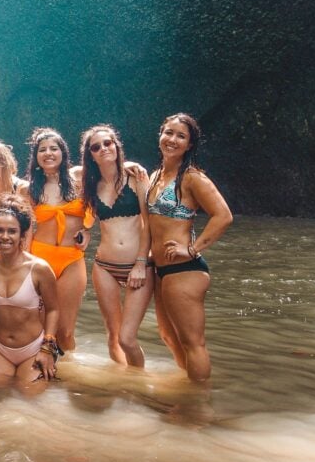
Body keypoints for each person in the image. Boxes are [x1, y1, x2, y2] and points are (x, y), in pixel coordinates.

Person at [147, 113, 233, 382]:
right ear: (160, 135)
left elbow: (223, 216)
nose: (172, 139)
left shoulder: (192, 178)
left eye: (180, 136)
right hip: (161, 269)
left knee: (193, 343)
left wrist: (192, 249)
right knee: (168, 336)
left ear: (189, 145)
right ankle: (188, 393)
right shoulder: (156, 175)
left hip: (184, 269)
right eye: (168, 132)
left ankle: (199, 407)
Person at [78, 124, 153, 366]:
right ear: (90, 154)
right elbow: (59, 169)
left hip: (138, 265)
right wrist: (84, 233)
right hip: (104, 267)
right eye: (96, 147)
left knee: (127, 339)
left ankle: (139, 386)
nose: (103, 149)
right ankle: (124, 391)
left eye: (108, 143)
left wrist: (141, 263)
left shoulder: (137, 178)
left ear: (116, 145)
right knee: (113, 337)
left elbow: (150, 224)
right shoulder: (90, 185)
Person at [17, 129, 92, 353]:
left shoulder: (79, 180)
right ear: (36, 156)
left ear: (63, 152)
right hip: (40, 258)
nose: (48, 153)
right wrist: (24, 262)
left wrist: (87, 229)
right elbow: (27, 229)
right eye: (42, 150)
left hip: (71, 259)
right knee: (41, 328)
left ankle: (70, 374)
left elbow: (107, 178)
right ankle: (45, 376)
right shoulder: (28, 189)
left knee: (66, 331)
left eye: (54, 148)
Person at [0, 199, 60, 383]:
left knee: (31, 399)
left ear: (22, 235)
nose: (5, 236)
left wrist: (47, 348)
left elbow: (53, 309)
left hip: (33, 348)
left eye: (12, 231)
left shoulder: (39, 268)